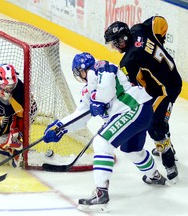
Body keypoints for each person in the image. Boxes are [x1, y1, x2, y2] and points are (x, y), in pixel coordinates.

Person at [43, 52, 166, 212]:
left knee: (102, 142)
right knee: (132, 150)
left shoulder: (102, 67)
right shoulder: (88, 90)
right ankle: (154, 175)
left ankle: (101, 193)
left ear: (81, 70)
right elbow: (81, 115)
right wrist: (60, 127)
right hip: (137, 112)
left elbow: (106, 90)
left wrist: (98, 101)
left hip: (134, 106)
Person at [104, 16, 182, 181]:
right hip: (166, 81)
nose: (116, 48)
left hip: (166, 89)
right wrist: (159, 42)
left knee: (154, 125)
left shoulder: (129, 60)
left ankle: (168, 159)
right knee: (157, 118)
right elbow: (158, 21)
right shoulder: (138, 30)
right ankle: (164, 140)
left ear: (124, 38)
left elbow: (125, 88)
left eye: (116, 44)